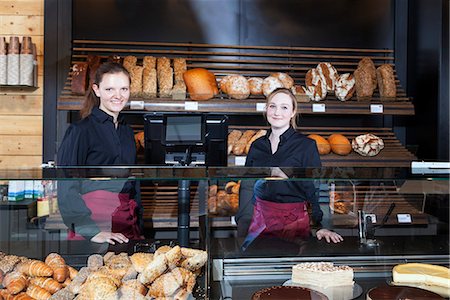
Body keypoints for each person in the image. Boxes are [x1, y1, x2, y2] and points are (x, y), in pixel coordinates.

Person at [236, 88, 343, 246]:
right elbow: (247, 186)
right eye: (272, 106)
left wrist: (323, 225)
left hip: (294, 223)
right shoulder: (256, 146)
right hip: (260, 223)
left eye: (284, 107)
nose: (277, 112)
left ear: (293, 112)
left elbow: (317, 188)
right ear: (266, 109)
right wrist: (243, 222)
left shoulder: (306, 145)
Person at [57, 62, 143, 245]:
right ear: (96, 90)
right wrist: (89, 230)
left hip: (127, 218)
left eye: (124, 89)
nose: (118, 96)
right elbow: (66, 184)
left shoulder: (127, 131)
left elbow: (131, 181)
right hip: (93, 221)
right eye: (110, 89)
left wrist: (138, 221)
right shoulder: (80, 130)